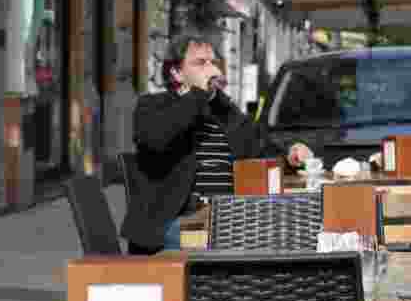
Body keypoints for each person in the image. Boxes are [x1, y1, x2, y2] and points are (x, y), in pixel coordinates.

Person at [120, 30, 313, 255]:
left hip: (226, 218)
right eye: (200, 63)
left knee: (283, 235)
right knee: (236, 241)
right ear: (177, 73)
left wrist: (291, 156)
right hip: (172, 222)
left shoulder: (226, 113)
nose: (211, 69)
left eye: (213, 62)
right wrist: (197, 95)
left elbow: (261, 151)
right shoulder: (152, 106)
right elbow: (155, 139)